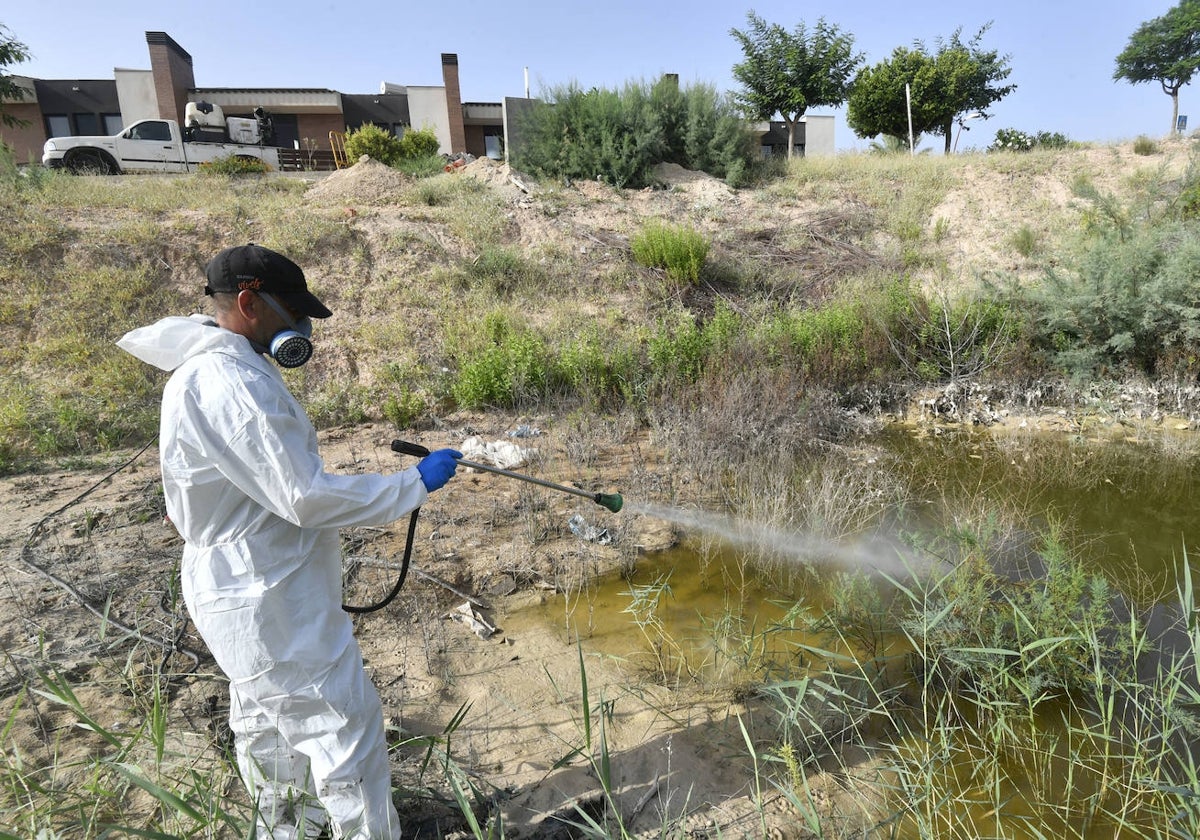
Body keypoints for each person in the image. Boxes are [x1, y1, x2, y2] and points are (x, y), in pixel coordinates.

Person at [118, 243, 460, 839]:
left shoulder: (214, 369)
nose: (302, 328)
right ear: (248, 303)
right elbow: (304, 497)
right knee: (343, 729)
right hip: (267, 592)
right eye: (293, 314)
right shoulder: (228, 383)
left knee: (270, 726)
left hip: (246, 584)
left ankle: (289, 831)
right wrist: (409, 484)